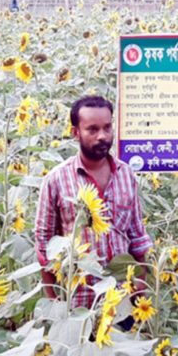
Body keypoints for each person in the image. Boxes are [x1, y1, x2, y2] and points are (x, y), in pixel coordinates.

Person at [34, 96, 153, 311]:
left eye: (107, 128)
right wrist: (55, 303)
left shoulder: (126, 175)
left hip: (122, 300)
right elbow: (44, 247)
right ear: (75, 133)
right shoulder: (56, 180)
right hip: (77, 301)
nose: (103, 136)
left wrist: (139, 287)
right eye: (92, 129)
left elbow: (137, 237)